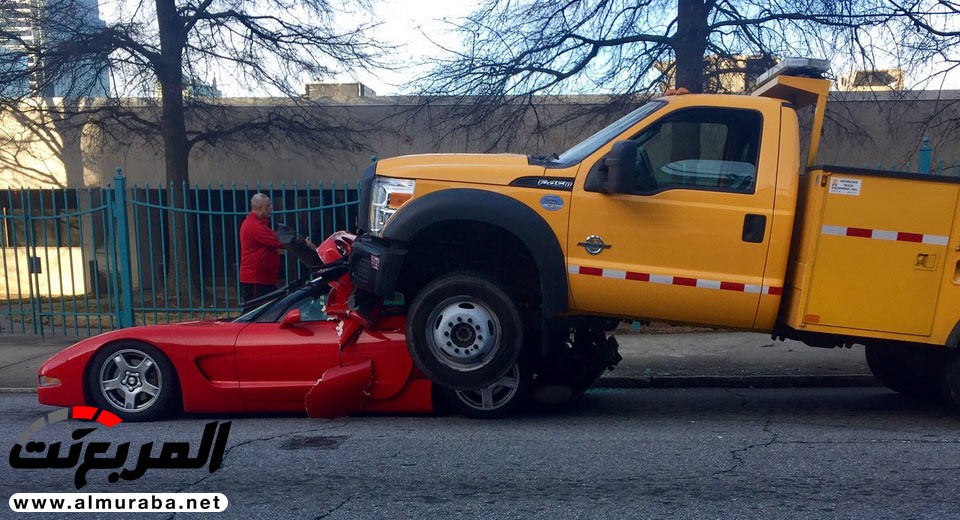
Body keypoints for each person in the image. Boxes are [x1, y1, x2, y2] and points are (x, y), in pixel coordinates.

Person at [239, 193, 284, 311]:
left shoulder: (258, 224)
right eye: (268, 206)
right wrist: (299, 243)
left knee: (271, 308)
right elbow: (278, 241)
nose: (271, 208)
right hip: (256, 279)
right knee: (253, 312)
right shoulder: (254, 226)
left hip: (263, 278)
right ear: (260, 208)